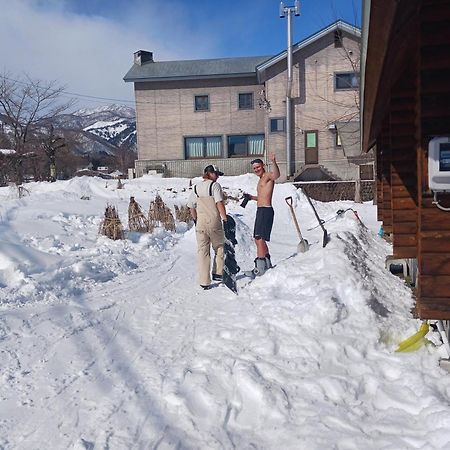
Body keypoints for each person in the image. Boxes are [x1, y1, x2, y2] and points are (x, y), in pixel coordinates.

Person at [187, 164, 228, 289]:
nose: (218, 177)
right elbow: (219, 202)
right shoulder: (214, 186)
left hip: (201, 224)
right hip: (214, 223)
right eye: (216, 174)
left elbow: (191, 206)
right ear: (210, 173)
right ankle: (218, 273)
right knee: (220, 247)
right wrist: (225, 218)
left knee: (203, 252)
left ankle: (204, 282)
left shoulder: (196, 188)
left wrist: (195, 220)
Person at [243, 153, 280, 277]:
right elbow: (262, 197)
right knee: (260, 239)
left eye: (258, 167)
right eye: (254, 168)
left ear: (263, 166)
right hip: (261, 210)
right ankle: (267, 263)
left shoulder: (268, 175)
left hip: (265, 210)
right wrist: (251, 197)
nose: (256, 170)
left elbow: (276, 175)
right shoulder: (260, 180)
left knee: (258, 239)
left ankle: (259, 269)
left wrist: (273, 161)